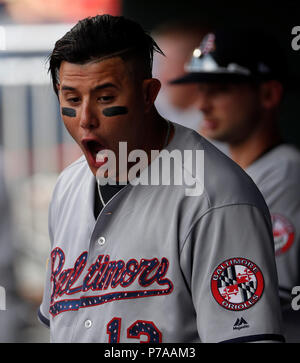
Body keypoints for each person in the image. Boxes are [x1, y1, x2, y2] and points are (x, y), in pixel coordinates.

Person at [38, 14, 285, 343]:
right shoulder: (67, 188)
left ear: (148, 94)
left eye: (105, 98)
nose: (85, 120)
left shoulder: (218, 198)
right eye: (71, 99)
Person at [170, 28, 300, 342]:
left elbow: (247, 296)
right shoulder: (222, 174)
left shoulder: (287, 174)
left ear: (268, 94)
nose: (202, 105)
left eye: (220, 89)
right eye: (200, 90)